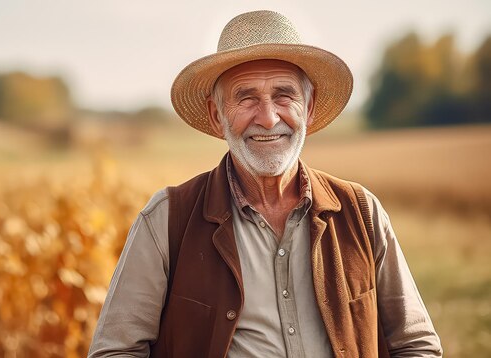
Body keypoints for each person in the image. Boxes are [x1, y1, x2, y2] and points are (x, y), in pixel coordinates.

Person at [88, 10, 442, 358]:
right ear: (216, 116)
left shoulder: (361, 212)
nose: (269, 118)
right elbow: (115, 351)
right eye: (246, 98)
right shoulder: (167, 219)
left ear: (310, 107)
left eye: (284, 95)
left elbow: (417, 345)